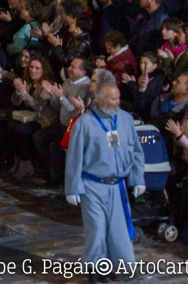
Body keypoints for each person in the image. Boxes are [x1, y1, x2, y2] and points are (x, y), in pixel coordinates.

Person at [64, 83, 145, 275]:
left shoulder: (125, 119)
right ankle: (95, 270)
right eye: (113, 98)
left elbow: (135, 151)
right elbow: (74, 156)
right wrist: (73, 187)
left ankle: (116, 267)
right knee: (97, 229)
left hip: (118, 186)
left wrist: (138, 178)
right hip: (93, 185)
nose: (118, 102)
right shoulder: (84, 123)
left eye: (118, 97)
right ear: (101, 100)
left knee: (118, 231)